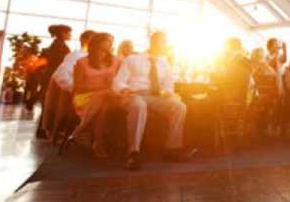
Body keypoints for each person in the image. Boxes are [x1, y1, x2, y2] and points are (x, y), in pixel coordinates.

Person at [112, 32, 194, 171]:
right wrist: (125, 90)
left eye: (165, 42)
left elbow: (169, 86)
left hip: (156, 97)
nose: (165, 45)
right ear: (153, 42)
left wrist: (167, 93)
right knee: (139, 105)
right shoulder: (132, 59)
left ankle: (172, 149)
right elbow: (118, 82)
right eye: (163, 42)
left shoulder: (165, 64)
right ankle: (133, 153)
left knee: (179, 106)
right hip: (135, 94)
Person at [68, 33, 120, 157]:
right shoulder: (82, 62)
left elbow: (120, 81)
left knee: (103, 99)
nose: (109, 45)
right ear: (95, 45)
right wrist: (101, 88)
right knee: (102, 104)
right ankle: (98, 144)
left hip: (109, 96)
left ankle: (80, 129)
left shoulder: (116, 61)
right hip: (84, 98)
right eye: (106, 43)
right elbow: (77, 88)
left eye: (111, 43)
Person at [39, 30, 94, 141]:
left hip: (69, 86)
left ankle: (58, 134)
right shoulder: (77, 55)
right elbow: (62, 74)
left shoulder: (83, 55)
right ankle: (56, 134)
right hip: (67, 87)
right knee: (62, 108)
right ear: (85, 41)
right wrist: (74, 88)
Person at [32, 24, 71, 120]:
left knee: (47, 105)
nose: (70, 35)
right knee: (50, 105)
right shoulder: (60, 46)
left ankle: (43, 129)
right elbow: (59, 63)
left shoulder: (57, 44)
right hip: (53, 78)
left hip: (49, 77)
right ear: (62, 33)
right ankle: (44, 129)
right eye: (68, 33)